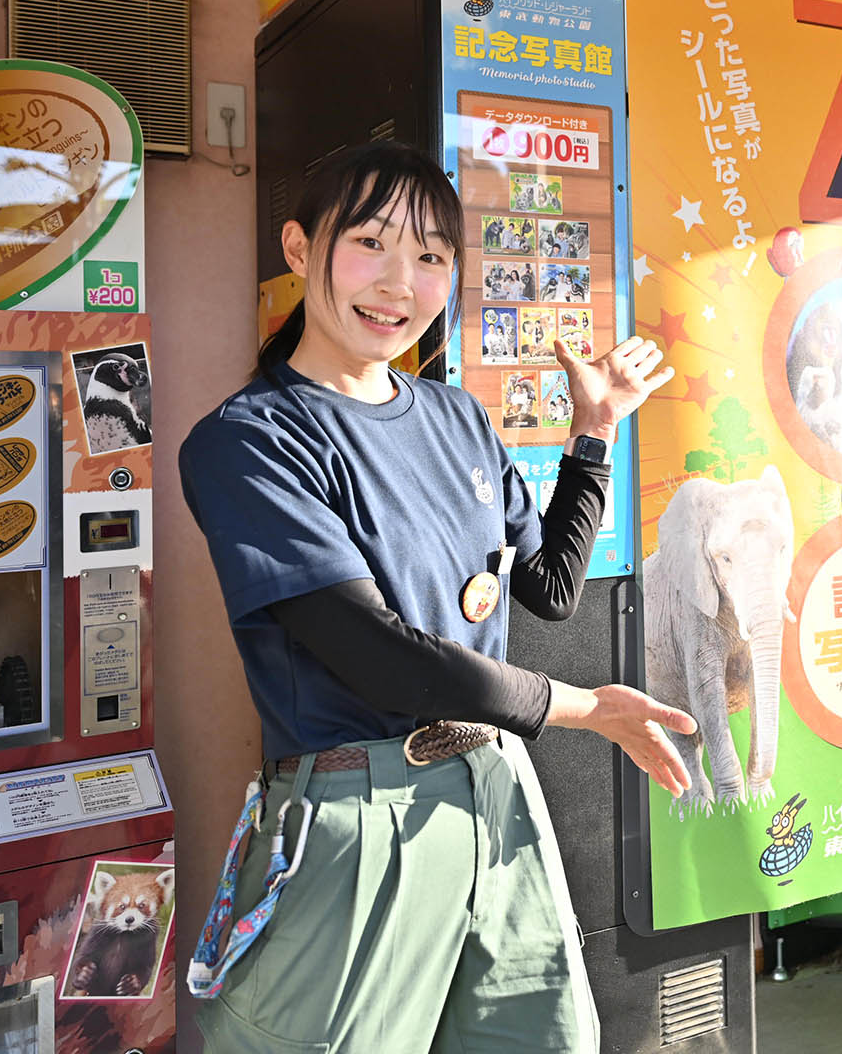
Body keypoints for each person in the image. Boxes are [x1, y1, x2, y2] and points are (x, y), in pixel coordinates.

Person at [179, 142, 693, 1053]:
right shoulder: (249, 441)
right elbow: (378, 657)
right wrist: (583, 708)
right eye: (371, 244)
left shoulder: (455, 415)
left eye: (430, 257)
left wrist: (593, 434)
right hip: (360, 819)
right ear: (300, 250)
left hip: (495, 791)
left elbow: (551, 589)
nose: (399, 284)